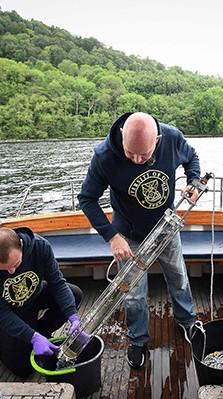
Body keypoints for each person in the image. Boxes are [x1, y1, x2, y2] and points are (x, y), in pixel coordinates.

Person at [78, 112, 200, 368]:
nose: (136, 159)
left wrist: (194, 182)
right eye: (130, 153)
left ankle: (187, 323)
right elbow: (87, 198)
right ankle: (138, 339)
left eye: (143, 155)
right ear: (122, 135)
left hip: (166, 227)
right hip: (128, 235)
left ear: (157, 139)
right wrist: (112, 236)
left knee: (178, 277)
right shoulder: (104, 156)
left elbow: (192, 159)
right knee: (133, 294)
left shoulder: (172, 138)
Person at [0, 227, 83, 376]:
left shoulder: (40, 247)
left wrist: (73, 316)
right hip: (9, 310)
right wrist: (32, 336)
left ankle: (41, 333)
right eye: (3, 269)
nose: (11, 272)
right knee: (23, 369)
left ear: (21, 245)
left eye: (16, 265)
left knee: (74, 294)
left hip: (36, 294)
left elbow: (57, 283)